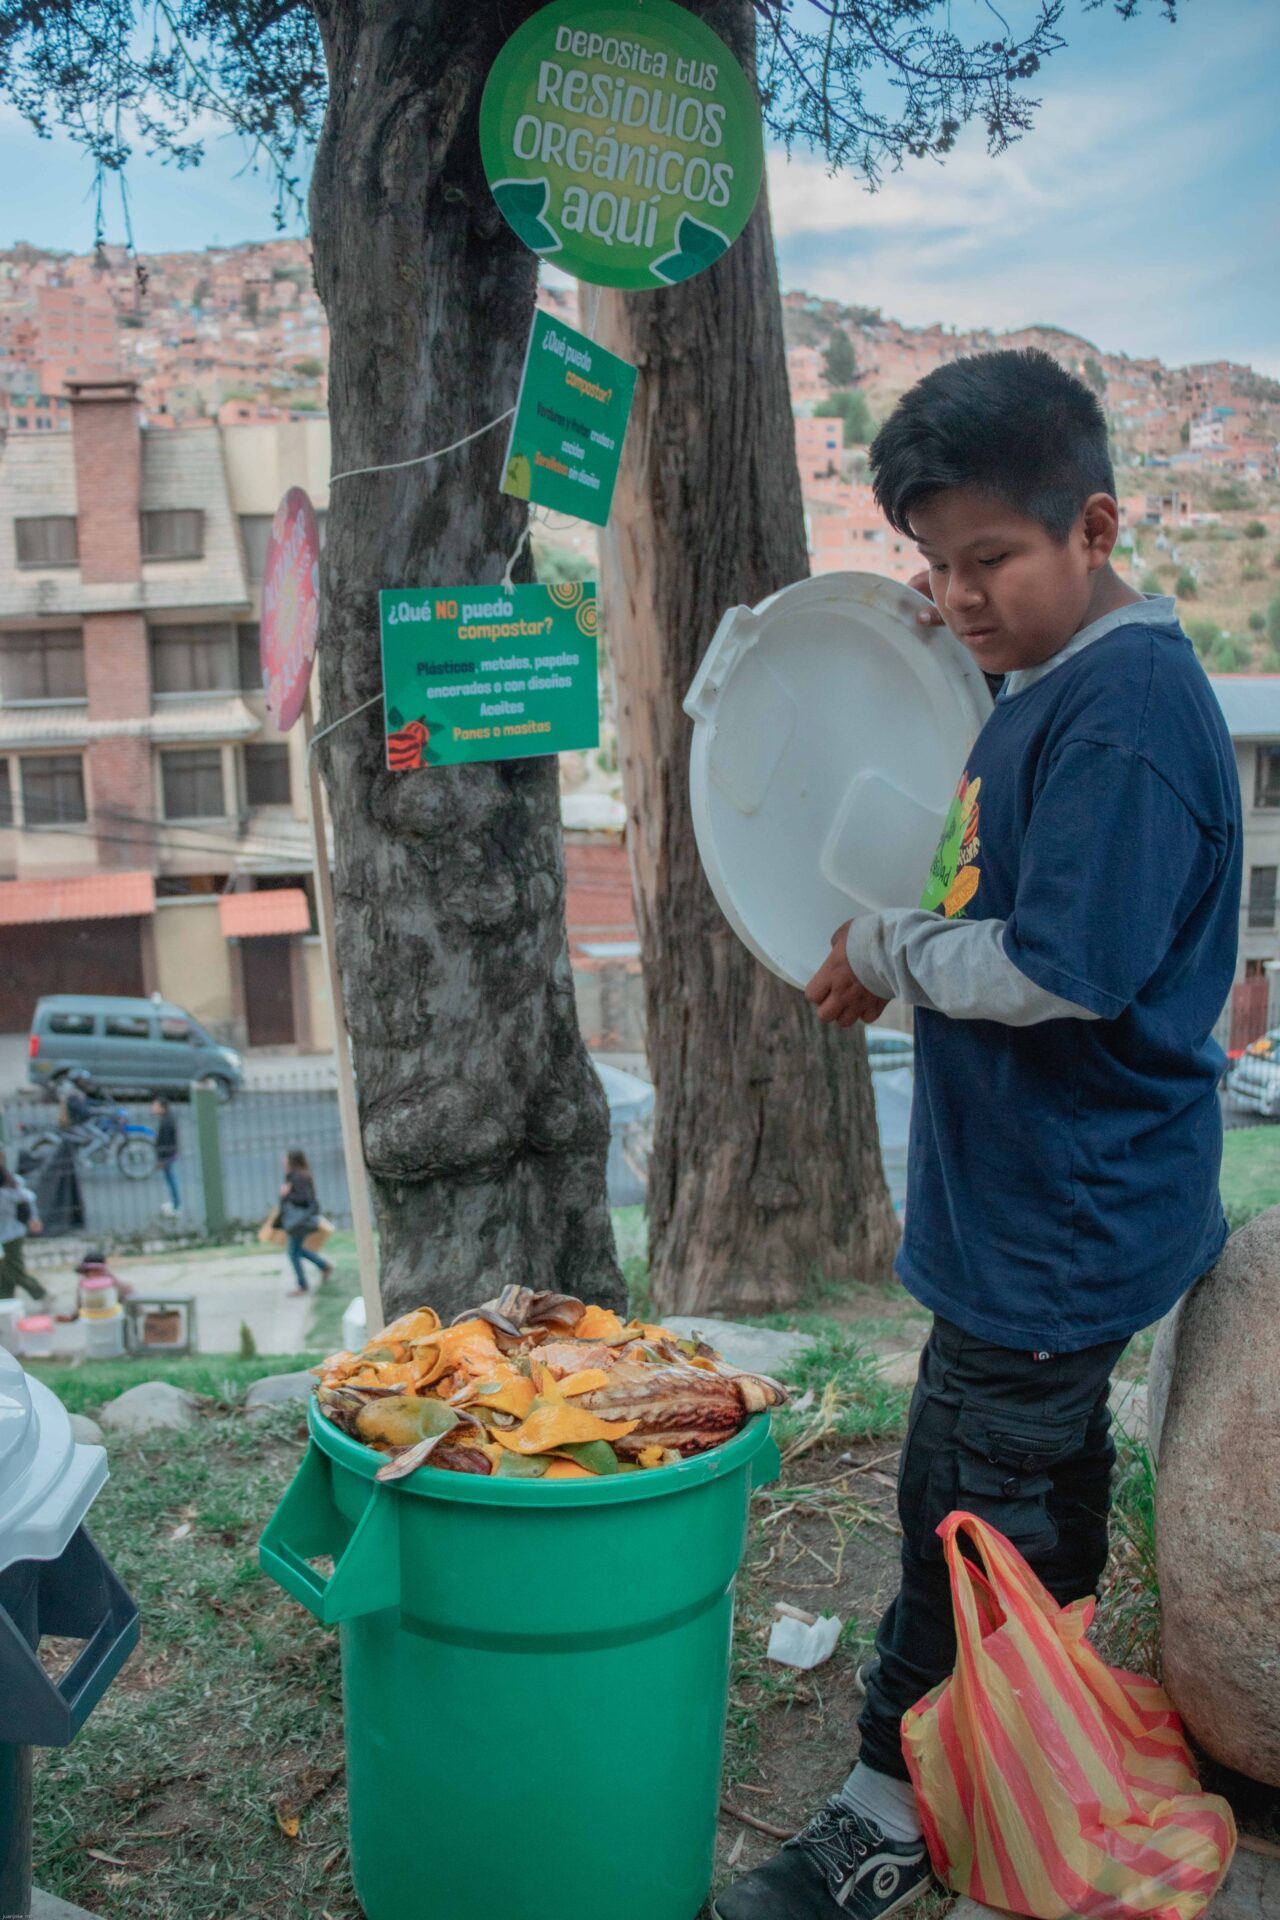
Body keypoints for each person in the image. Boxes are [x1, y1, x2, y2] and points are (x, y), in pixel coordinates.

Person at [714, 349, 1241, 1920]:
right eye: (934, 564)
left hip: (1061, 1216)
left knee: (960, 1500)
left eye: (990, 560)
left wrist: (886, 945)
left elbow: (1061, 968)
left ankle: (891, 1808)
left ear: (1096, 526)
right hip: (1046, 1198)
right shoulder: (1060, 679)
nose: (956, 596)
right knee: (1029, 1476)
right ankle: (1030, 1723)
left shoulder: (1126, 718)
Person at [277, 1149, 333, 1297]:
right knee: (296, 1251)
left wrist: (286, 1195)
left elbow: (305, 1199)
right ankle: (324, 1266)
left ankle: (303, 1285)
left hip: (298, 1221)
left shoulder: (297, 1177)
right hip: (299, 1221)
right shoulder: (298, 1175)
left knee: (293, 1253)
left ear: (292, 1160)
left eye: (285, 1158)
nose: (283, 1161)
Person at [0, 1148, 46, 1302]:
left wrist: (34, 1218)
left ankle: (42, 1294)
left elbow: (28, 1199)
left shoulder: (11, 1183)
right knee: (3, 1269)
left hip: (12, 1232)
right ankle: (5, 1299)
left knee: (13, 1268)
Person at [152, 1097, 180, 1213]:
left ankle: (176, 1206)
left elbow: (165, 1142)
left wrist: (161, 1159)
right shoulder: (167, 1119)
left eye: (155, 1106)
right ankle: (176, 1204)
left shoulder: (166, 1122)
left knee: (171, 1180)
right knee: (171, 1179)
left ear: (162, 1108)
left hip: (167, 1156)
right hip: (169, 1154)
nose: (153, 1108)